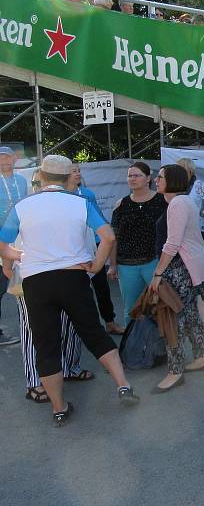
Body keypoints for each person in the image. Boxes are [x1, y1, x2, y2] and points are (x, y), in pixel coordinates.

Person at [0, 155, 139, 426]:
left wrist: (19, 258)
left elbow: (3, 245)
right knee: (93, 332)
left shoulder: (22, 205)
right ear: (67, 178)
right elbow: (108, 236)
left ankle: (59, 407)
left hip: (36, 281)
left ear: (40, 175)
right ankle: (123, 384)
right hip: (74, 277)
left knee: (46, 344)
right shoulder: (80, 203)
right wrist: (96, 265)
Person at [7, 169, 93, 404]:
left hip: (68, 277)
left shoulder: (77, 203)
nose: (39, 185)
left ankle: (70, 368)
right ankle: (35, 382)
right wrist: (10, 270)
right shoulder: (24, 207)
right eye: (36, 182)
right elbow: (7, 242)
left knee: (69, 325)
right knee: (33, 331)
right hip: (31, 280)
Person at [149, 164, 204, 393]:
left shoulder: (177, 203)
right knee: (189, 313)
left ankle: (175, 371)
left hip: (179, 268)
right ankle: (201, 356)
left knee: (172, 319)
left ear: (172, 180)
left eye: (161, 176)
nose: (156, 180)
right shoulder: (180, 202)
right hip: (186, 266)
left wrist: (157, 273)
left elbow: (173, 243)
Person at [66, 163, 124, 334]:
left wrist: (103, 241)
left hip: (93, 243)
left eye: (78, 170)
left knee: (101, 285)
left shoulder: (87, 194)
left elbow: (99, 218)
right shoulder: (59, 195)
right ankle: (76, 326)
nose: (77, 173)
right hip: (72, 246)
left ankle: (110, 321)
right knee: (74, 288)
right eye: (73, 171)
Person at [108, 162, 168, 324]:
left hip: (154, 262)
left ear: (148, 178)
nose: (132, 179)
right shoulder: (121, 204)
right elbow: (114, 237)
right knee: (131, 310)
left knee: (159, 308)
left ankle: (161, 347)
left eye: (137, 175)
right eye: (130, 175)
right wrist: (112, 265)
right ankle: (132, 348)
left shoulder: (163, 201)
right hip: (126, 265)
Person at [0, 145, 26, 346]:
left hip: (21, 236)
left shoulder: (22, 180)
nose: (5, 161)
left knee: (23, 282)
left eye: (8, 157)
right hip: (1, 237)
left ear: (14, 160)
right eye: (1, 158)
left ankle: (29, 325)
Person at [176, 158, 204, 243]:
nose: (176, 173)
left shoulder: (197, 185)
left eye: (180, 170)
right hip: (179, 230)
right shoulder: (175, 186)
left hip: (197, 231)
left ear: (189, 171)